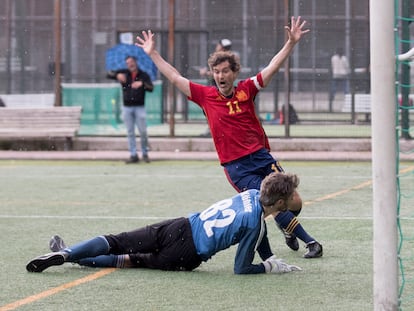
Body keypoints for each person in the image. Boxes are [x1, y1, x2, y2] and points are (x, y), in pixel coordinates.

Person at [135, 16, 323, 258]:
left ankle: (287, 230)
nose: (220, 76)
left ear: (235, 73)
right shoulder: (205, 96)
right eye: (216, 71)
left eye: (225, 71)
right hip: (237, 167)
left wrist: (291, 43)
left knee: (293, 201)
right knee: (267, 203)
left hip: (262, 157)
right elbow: (174, 77)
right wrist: (153, 53)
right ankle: (311, 243)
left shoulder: (247, 89)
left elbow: (272, 67)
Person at [26, 172, 302, 275]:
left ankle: (68, 252)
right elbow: (240, 268)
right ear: (279, 203)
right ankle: (75, 259)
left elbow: (260, 235)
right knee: (128, 260)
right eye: (289, 196)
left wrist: (269, 254)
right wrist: (266, 267)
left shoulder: (251, 194)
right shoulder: (255, 223)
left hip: (180, 225)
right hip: (187, 253)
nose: (294, 198)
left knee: (118, 240)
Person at [110, 55, 154, 163]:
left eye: (132, 61)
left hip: (140, 107)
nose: (130, 64)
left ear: (136, 62)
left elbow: (151, 88)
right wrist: (117, 75)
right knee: (130, 132)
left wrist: (142, 84)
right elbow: (109, 74)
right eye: (128, 62)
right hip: (127, 107)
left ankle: (145, 153)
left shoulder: (143, 75)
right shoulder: (124, 73)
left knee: (143, 131)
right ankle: (133, 154)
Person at [199, 38, 233, 137]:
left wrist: (206, 73)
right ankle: (215, 130)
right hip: (217, 89)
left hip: (221, 90)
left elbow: (219, 73)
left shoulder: (226, 59)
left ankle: (216, 130)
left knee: (218, 109)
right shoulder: (220, 58)